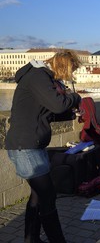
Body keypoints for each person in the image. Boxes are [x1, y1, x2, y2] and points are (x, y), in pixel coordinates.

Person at [6, 50, 82, 242]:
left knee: (38, 196)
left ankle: (31, 239)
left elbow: (47, 113)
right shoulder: (38, 76)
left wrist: (72, 114)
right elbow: (57, 105)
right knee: (48, 196)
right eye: (70, 70)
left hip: (32, 145)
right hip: (25, 146)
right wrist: (75, 98)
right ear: (63, 65)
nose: (68, 76)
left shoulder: (42, 77)